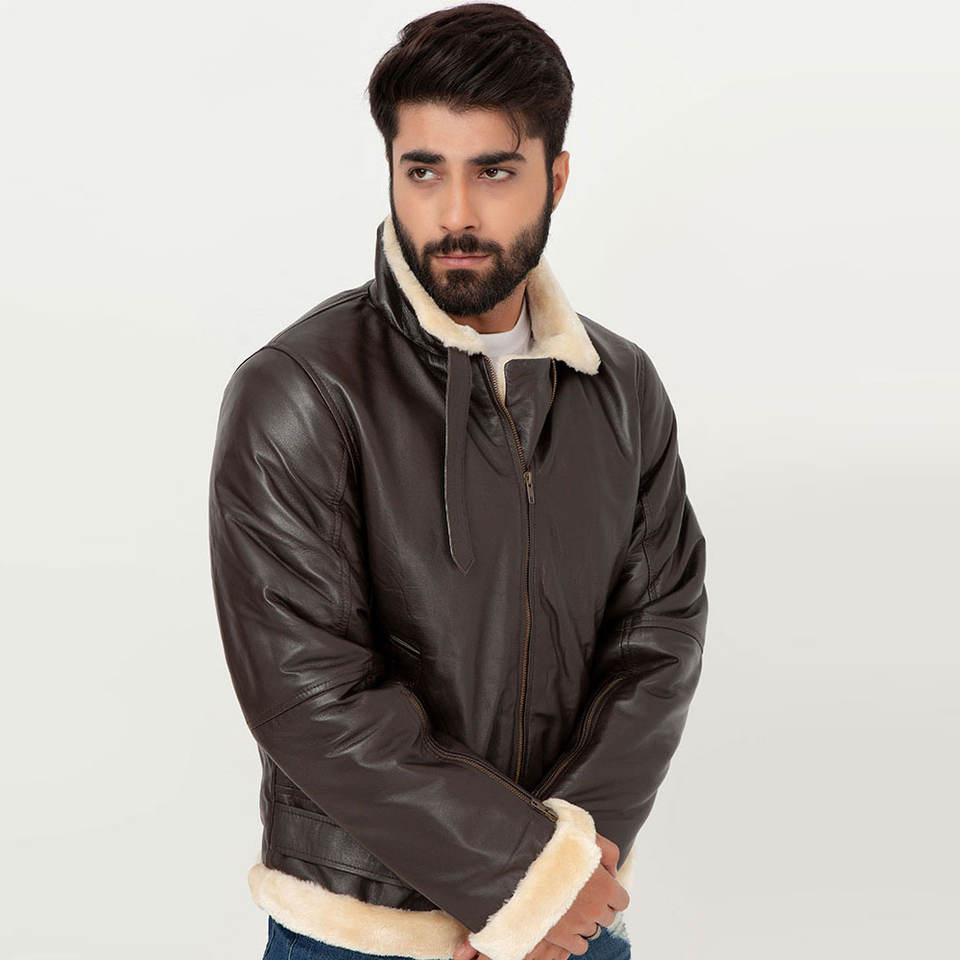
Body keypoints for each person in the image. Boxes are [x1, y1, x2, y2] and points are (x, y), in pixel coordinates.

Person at [207, 5, 708, 960]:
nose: (456, 215)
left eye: (496, 171)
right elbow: (307, 692)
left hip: (576, 921)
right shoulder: (299, 390)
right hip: (365, 937)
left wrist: (564, 876)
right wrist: (515, 881)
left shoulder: (622, 388)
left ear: (557, 177)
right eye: (424, 171)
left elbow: (659, 637)